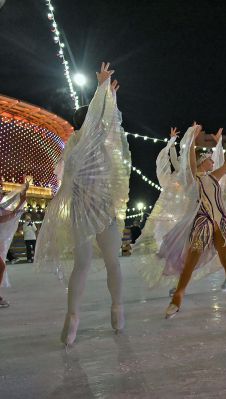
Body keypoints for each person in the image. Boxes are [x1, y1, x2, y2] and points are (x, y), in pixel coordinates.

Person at [35, 62, 131, 345]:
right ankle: (117, 308)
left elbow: (106, 122)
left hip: (80, 212)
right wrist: (103, 89)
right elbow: (106, 124)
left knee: (82, 265)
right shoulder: (92, 140)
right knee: (113, 263)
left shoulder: (72, 146)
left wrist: (109, 96)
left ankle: (73, 316)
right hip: (100, 210)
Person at [161, 123, 226, 318]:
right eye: (209, 160)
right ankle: (177, 298)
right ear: (203, 162)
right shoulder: (195, 178)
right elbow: (190, 160)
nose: (212, 162)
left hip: (221, 221)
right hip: (202, 223)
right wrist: (192, 139)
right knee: (191, 262)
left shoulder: (214, 177)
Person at [0, 184, 28, 308]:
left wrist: (24, 192)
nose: (1, 195)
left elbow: (17, 205)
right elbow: (2, 219)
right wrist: (15, 213)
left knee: (1, 267)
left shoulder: (2, 208)